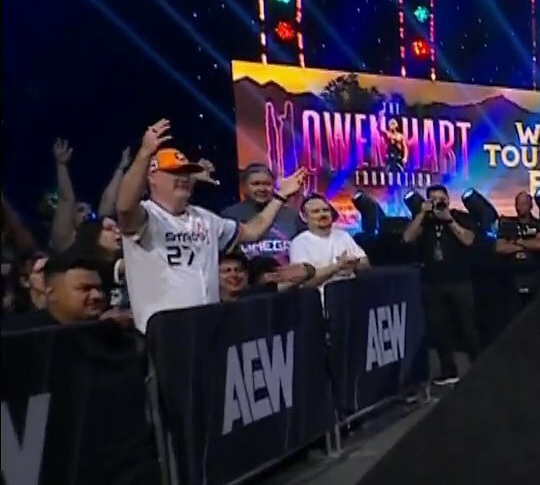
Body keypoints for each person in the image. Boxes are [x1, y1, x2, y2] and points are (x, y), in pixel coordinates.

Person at [116, 120, 305, 333]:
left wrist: (280, 196)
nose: (183, 177)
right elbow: (124, 207)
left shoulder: (205, 218)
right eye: (174, 172)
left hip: (210, 329)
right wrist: (144, 154)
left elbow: (253, 231)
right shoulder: (145, 216)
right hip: (165, 335)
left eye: (186, 172)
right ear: (152, 177)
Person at [404, 184, 480, 384]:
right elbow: (407, 238)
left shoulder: (459, 217)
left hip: (459, 282)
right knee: (439, 329)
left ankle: (478, 366)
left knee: (468, 327)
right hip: (432, 283)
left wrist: (449, 221)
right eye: (433, 199)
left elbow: (468, 240)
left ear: (448, 199)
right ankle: (448, 370)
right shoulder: (424, 221)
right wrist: (422, 214)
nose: (438, 202)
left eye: (441, 199)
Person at [1, 251, 106, 330]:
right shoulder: (19, 333)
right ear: (52, 294)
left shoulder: (107, 331)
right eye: (85, 289)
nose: (97, 295)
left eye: (98, 288)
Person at [288, 194, 369, 288]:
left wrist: (355, 264)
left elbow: (365, 263)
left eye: (326, 210)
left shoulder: (343, 235)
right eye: (316, 211)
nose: (323, 214)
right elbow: (306, 283)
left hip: (350, 290)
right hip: (322, 294)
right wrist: (337, 266)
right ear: (304, 218)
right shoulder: (299, 243)